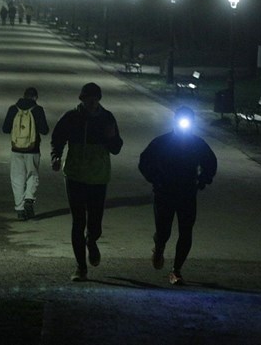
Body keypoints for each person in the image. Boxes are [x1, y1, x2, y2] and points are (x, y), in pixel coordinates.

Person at [51, 83, 123, 281]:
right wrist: (56, 156)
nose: (92, 102)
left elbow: (117, 147)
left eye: (95, 98)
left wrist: (110, 138)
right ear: (81, 99)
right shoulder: (72, 117)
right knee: (78, 222)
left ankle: (91, 241)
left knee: (95, 224)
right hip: (75, 175)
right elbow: (57, 138)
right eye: (88, 98)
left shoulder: (107, 118)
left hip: (98, 177)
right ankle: (80, 267)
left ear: (99, 99)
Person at [138, 106, 217, 285]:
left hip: (187, 193)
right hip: (164, 192)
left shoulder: (197, 144)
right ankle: (159, 247)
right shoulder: (161, 142)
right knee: (163, 230)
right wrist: (155, 179)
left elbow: (210, 162)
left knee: (186, 231)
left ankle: (176, 270)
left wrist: (203, 180)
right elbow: (145, 161)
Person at [2, 87, 49, 220]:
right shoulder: (38, 110)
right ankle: (29, 198)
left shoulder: (13, 109)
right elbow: (45, 130)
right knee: (32, 175)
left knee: (17, 178)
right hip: (33, 150)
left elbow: (5, 129)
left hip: (16, 149)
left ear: (23, 96)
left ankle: (20, 210)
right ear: (35, 98)